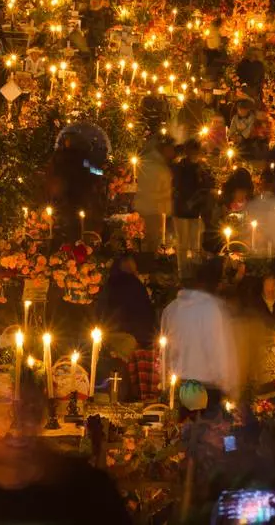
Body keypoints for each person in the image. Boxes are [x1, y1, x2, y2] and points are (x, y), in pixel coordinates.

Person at [0, 376, 131, 524]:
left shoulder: (88, 493)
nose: (16, 425)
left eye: (27, 409)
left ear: (40, 413)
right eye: (0, 408)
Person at [161, 259, 239, 411]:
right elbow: (217, 349)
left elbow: (165, 350)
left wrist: (164, 381)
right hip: (206, 387)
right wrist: (229, 385)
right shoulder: (211, 309)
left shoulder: (171, 309)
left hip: (180, 384)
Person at [96, 255, 158, 402]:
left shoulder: (109, 284)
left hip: (110, 334)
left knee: (116, 374)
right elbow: (144, 312)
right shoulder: (134, 285)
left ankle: (115, 398)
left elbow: (101, 310)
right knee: (127, 375)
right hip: (131, 337)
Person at [172, 139, 214, 275]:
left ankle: (194, 272)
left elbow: (207, 186)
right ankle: (183, 273)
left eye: (196, 153)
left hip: (195, 211)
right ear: (187, 152)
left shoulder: (201, 168)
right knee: (183, 244)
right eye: (192, 152)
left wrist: (204, 176)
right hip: (182, 210)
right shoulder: (180, 167)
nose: (194, 156)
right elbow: (179, 186)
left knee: (194, 244)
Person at [134, 136, 174, 252]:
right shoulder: (155, 165)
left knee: (152, 238)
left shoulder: (156, 162)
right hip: (152, 209)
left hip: (152, 208)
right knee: (151, 239)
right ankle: (148, 262)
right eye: (171, 149)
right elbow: (155, 188)